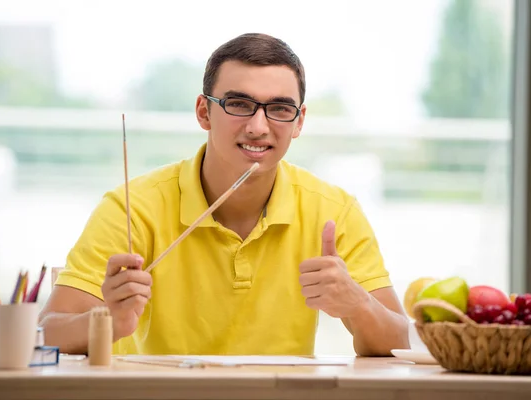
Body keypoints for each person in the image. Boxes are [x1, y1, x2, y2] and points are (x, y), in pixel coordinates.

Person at [39, 33, 409, 357]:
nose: (258, 127)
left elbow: (400, 342)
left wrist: (356, 303)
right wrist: (107, 321)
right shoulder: (133, 207)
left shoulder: (334, 210)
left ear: (298, 122)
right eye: (239, 105)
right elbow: (45, 334)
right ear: (204, 112)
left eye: (279, 109)